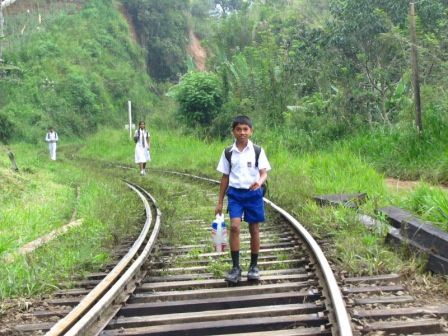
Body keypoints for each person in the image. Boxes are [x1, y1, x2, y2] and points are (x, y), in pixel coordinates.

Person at [215, 115, 271, 284]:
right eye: (238, 129)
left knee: (254, 228)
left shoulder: (257, 151)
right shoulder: (228, 152)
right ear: (233, 131)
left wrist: (259, 182)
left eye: (245, 129)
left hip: (253, 194)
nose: (242, 132)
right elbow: (225, 177)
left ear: (251, 131)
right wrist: (219, 202)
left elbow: (264, 173)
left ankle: (254, 266)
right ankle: (236, 267)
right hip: (235, 195)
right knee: (234, 226)